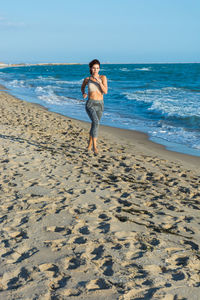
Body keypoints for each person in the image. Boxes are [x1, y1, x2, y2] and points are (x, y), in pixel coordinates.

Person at [81, 59, 108, 154]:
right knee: (96, 122)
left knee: (95, 124)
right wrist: (83, 93)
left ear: (99, 69)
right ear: (90, 68)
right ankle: (94, 147)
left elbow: (105, 91)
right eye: (94, 68)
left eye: (97, 68)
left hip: (100, 104)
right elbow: (82, 87)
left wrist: (99, 82)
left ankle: (89, 144)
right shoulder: (87, 79)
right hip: (90, 103)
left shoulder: (103, 77)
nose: (95, 70)